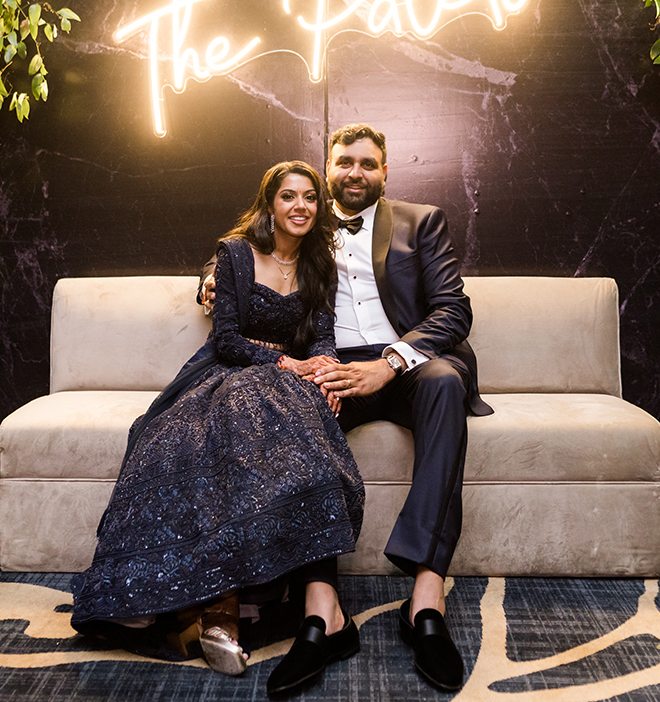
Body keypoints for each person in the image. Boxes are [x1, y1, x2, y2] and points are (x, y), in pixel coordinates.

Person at [199, 125, 492, 694]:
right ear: (326, 168)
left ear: (385, 172)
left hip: (407, 362)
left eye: (368, 164)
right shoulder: (303, 221)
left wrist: (389, 362)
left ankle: (426, 600)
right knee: (293, 406)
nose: (355, 172)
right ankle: (322, 609)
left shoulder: (420, 221)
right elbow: (243, 255)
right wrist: (208, 279)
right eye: (343, 162)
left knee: (444, 383)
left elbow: (454, 311)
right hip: (329, 360)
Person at [70, 161, 365, 697]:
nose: (300, 206)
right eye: (288, 197)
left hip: (289, 382)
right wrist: (285, 365)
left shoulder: (322, 264)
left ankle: (266, 602)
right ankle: (207, 603)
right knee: (188, 437)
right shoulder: (234, 254)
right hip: (227, 372)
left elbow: (322, 338)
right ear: (270, 204)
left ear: (319, 209)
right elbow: (227, 339)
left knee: (303, 446)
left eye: (310, 199)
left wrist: (323, 372)